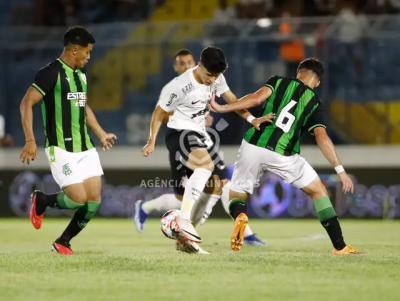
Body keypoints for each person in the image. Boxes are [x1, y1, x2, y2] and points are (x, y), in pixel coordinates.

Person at [208, 58, 362, 255]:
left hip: (253, 144)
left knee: (237, 194)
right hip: (284, 154)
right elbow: (322, 137)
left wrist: (222, 108)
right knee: (318, 192)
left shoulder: (278, 81)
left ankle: (240, 217)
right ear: (317, 82)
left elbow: (255, 99)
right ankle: (340, 247)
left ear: (299, 73)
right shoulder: (314, 102)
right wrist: (340, 171)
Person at [142, 46, 274, 253]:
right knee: (206, 166)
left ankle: (187, 240)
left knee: (215, 186)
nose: (213, 80)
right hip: (179, 134)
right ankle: (182, 220)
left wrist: (251, 118)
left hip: (198, 135)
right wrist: (151, 141)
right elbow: (159, 113)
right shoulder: (180, 85)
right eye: (209, 75)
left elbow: (232, 100)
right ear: (199, 65)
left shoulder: (216, 77)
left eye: (217, 76)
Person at [20, 26, 117, 255]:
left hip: (85, 147)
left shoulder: (80, 75)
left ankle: (63, 241)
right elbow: (26, 103)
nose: (89, 57)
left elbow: (83, 106)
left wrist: (101, 134)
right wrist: (30, 140)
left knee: (93, 200)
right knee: (77, 199)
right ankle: (42, 200)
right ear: (74, 50)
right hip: (61, 147)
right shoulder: (50, 72)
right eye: (87, 52)